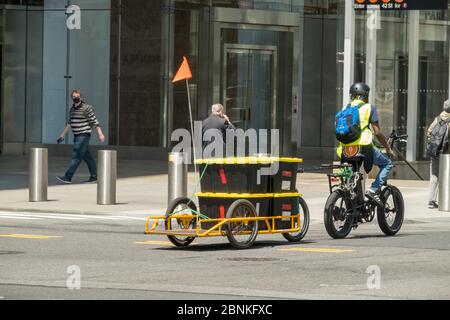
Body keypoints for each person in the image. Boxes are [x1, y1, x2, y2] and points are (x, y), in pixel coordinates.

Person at [336, 82, 395, 206]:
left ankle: (352, 200)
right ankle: (373, 190)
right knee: (387, 163)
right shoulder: (369, 108)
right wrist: (387, 148)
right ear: (366, 96)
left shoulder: (344, 109)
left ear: (351, 96)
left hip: (345, 149)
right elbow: (377, 132)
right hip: (364, 147)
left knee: (351, 174)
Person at [56, 90, 105, 184]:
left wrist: (100, 134)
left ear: (81, 97)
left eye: (77, 96)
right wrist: (62, 135)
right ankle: (94, 176)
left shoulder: (87, 108)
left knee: (76, 156)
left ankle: (68, 177)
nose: (75, 98)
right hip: (77, 135)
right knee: (87, 157)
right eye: (73, 97)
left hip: (83, 135)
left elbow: (95, 122)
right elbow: (70, 123)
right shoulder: (72, 109)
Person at [426, 99, 450, 209]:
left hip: (435, 152)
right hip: (447, 154)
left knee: (434, 176)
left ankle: (431, 201)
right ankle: (446, 200)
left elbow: (429, 132)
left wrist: (433, 145)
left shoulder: (438, 118)